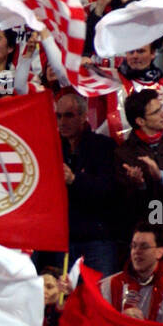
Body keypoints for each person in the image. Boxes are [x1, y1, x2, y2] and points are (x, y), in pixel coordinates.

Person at [56, 91, 117, 276]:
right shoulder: (53, 147)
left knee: (99, 298)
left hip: (97, 240)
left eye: (69, 115)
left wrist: (74, 180)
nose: (62, 122)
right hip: (63, 241)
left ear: (83, 116)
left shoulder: (103, 146)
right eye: (58, 116)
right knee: (64, 301)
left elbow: (110, 192)